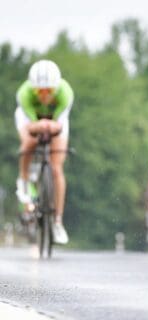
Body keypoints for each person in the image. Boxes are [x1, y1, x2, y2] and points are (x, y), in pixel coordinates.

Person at [15, 60, 74, 244]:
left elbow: (58, 125)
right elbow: (31, 126)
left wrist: (49, 127)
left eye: (49, 91)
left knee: (57, 167)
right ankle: (24, 182)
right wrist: (38, 127)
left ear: (56, 89)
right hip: (31, 119)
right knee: (28, 145)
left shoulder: (66, 93)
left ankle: (58, 221)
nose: (44, 96)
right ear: (32, 90)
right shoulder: (24, 94)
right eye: (39, 92)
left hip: (56, 121)